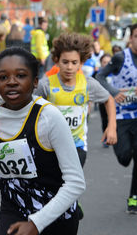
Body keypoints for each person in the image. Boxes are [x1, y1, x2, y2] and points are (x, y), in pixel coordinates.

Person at [0, 47, 85, 235]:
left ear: (35, 82)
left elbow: (76, 183)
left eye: (20, 75)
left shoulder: (48, 118)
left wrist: (36, 223)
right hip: (13, 209)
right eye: (3, 77)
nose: (11, 82)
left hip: (56, 215)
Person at [96, 22, 137, 214]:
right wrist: (114, 92)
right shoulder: (121, 58)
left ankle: (134, 196)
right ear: (130, 38)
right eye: (136, 36)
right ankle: (122, 152)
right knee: (124, 159)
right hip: (120, 115)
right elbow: (100, 77)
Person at [35, 33, 117, 167]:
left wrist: (112, 126)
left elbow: (109, 100)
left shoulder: (88, 84)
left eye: (74, 63)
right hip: (50, 148)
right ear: (57, 61)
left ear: (81, 63)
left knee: (71, 185)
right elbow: (29, 107)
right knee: (55, 186)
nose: (69, 67)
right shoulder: (46, 85)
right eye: (65, 62)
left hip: (77, 146)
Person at [96, 53, 112, 148]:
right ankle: (105, 138)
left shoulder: (116, 72)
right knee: (105, 119)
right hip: (103, 100)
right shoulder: (98, 74)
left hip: (116, 101)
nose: (106, 64)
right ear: (101, 63)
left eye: (108, 62)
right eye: (104, 62)